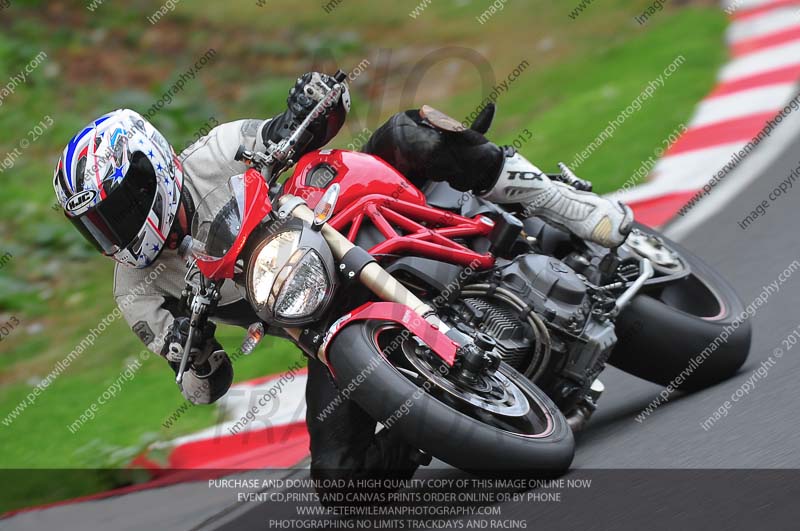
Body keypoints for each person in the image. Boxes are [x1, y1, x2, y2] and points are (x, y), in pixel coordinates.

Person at [53, 71, 632, 485]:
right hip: (322, 321)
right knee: (340, 481)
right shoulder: (136, 288)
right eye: (98, 225)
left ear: (152, 168)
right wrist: (193, 352)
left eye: (120, 209)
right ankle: (440, 415)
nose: (116, 232)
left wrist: (309, 102)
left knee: (413, 131)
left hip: (346, 219)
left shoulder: (215, 151)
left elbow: (301, 122)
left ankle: (558, 203)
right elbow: (200, 383)